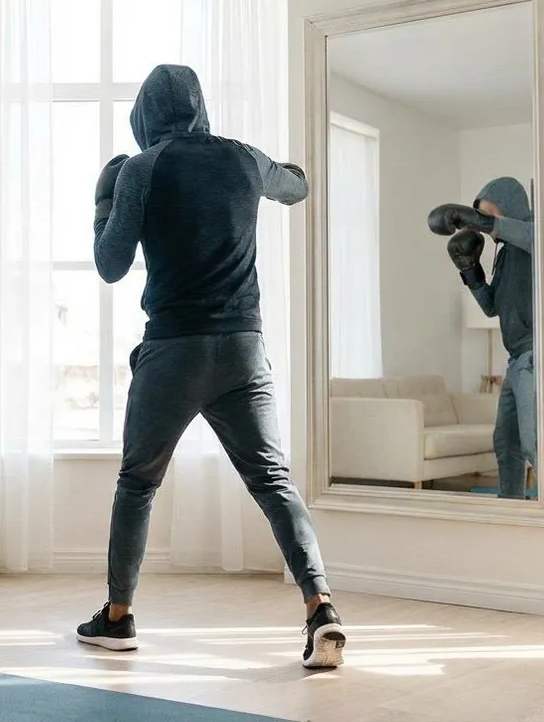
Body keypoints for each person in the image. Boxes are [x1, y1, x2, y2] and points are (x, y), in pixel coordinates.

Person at [77, 64, 346, 669]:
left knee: (137, 485)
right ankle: (320, 606)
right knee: (272, 481)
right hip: (243, 349)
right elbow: (296, 188)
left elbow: (110, 263)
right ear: (200, 107)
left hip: (175, 348)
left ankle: (117, 619)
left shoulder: (139, 169)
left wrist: (106, 199)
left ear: (143, 115)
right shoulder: (244, 158)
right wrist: (283, 170)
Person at [427, 177, 536, 499]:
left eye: (485, 210)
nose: (479, 217)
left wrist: (482, 222)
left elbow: (529, 235)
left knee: (535, 444)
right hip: (516, 361)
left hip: (536, 355)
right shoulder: (504, 255)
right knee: (507, 444)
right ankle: (512, 509)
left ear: (507, 204)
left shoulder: (537, 235)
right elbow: (492, 307)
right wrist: (470, 270)